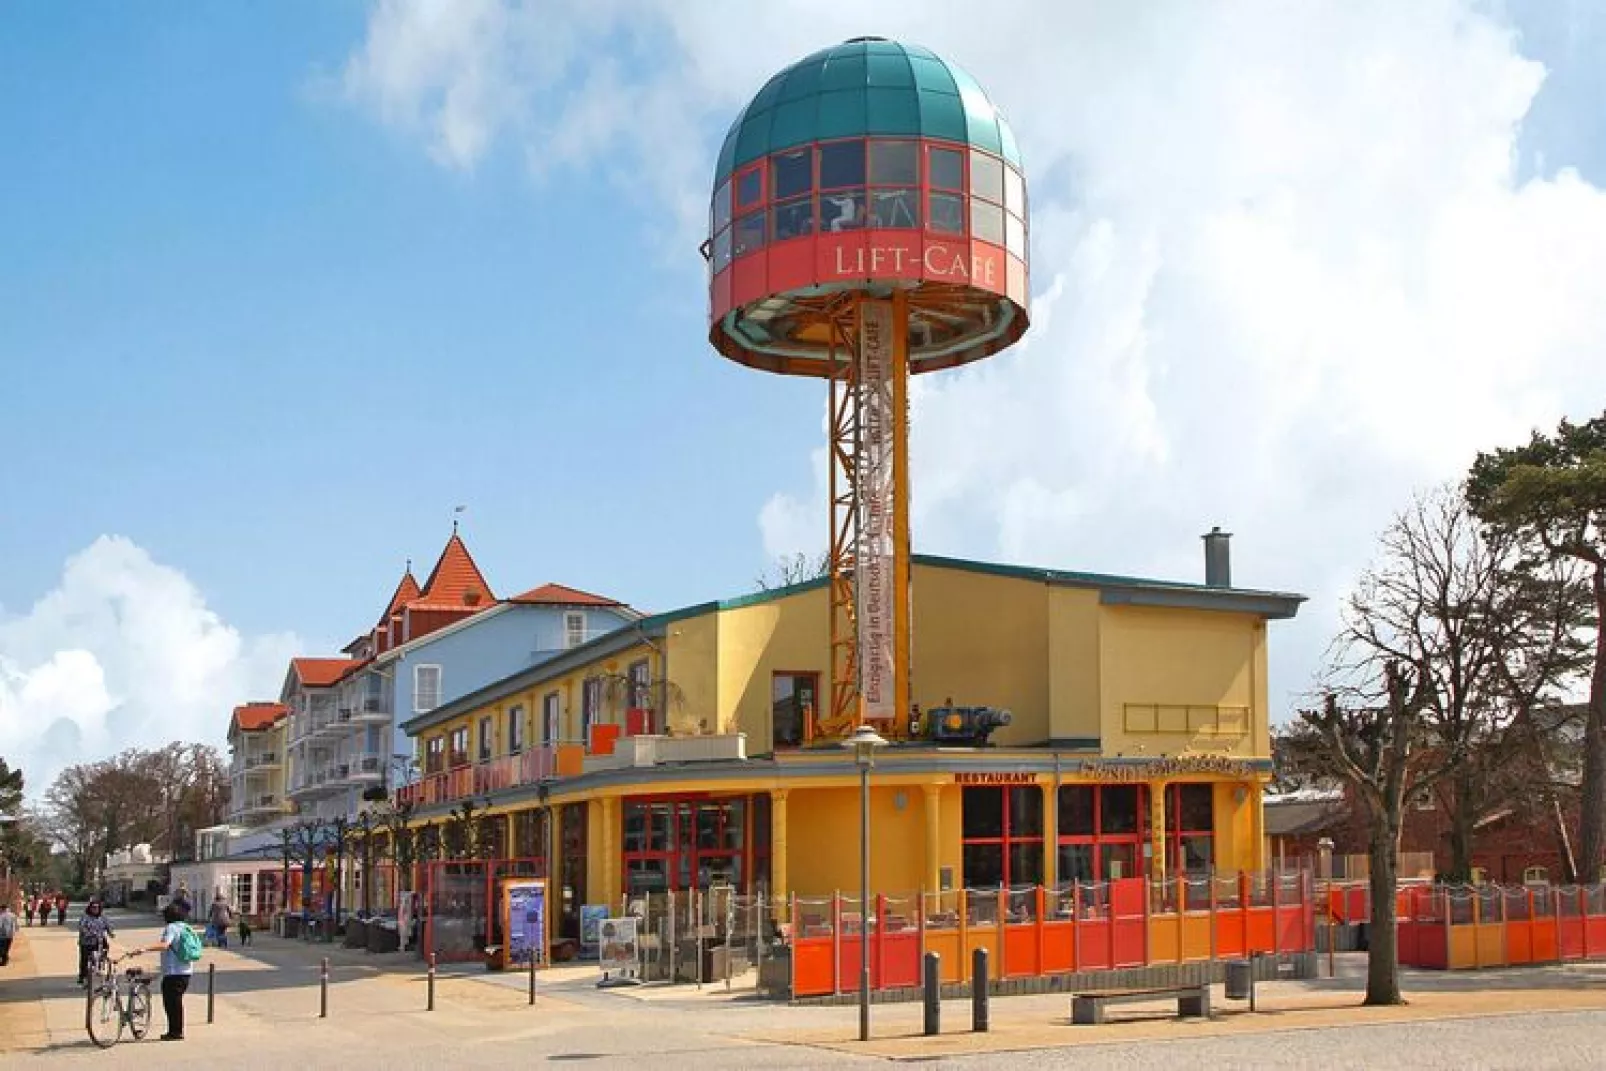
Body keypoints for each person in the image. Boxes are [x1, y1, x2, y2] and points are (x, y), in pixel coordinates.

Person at [144, 903, 193, 1041]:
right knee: (176, 1002)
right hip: (186, 971)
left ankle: (175, 1032)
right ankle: (176, 1030)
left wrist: (145, 949)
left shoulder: (171, 928)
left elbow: (165, 945)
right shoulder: (186, 927)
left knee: (171, 1003)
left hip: (173, 973)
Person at [77, 899, 115, 986]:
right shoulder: (85, 916)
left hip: (99, 939)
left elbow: (108, 926)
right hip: (86, 941)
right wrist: (87, 933)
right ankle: (82, 976)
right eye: (93, 907)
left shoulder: (102, 917)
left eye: (97, 908)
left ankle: (100, 962)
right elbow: (81, 927)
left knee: (106, 947)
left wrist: (111, 933)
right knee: (84, 959)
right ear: (90, 908)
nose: (95, 909)